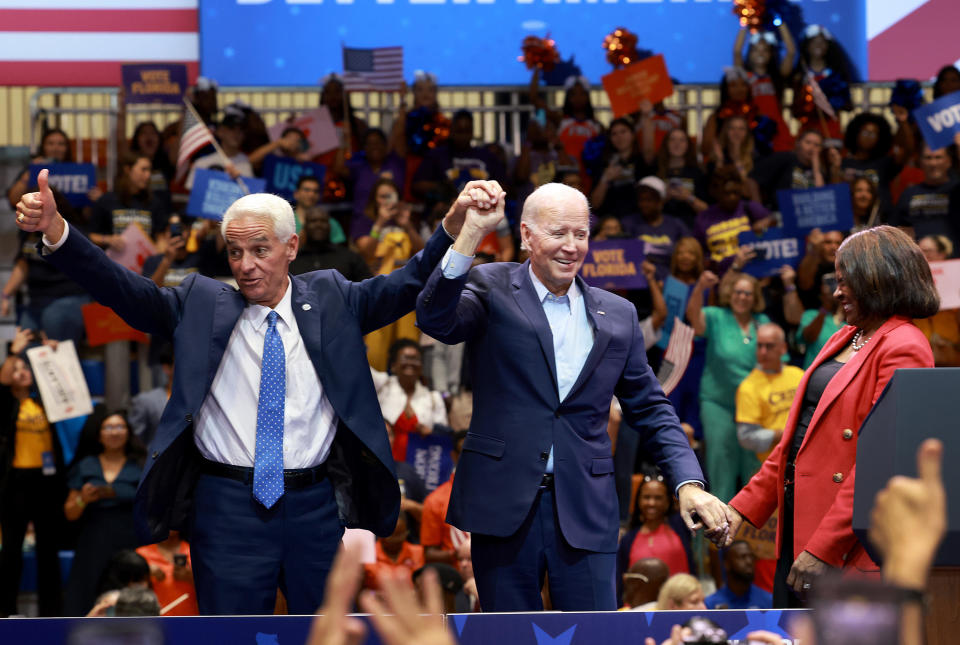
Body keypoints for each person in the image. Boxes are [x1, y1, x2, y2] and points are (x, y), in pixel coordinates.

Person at [15, 168, 495, 615]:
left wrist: (452, 226)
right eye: (234, 252)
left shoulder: (334, 298)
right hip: (225, 510)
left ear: (292, 246)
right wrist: (59, 233)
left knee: (324, 637)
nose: (245, 266)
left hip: (315, 507)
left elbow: (410, 281)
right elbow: (122, 289)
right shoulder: (199, 303)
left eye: (260, 250)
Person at [415, 182, 731, 612]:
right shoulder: (491, 284)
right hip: (503, 506)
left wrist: (689, 483)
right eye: (558, 233)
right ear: (526, 236)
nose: (571, 246)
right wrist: (471, 233)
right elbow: (435, 319)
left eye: (580, 234)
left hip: (586, 507)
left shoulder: (618, 313)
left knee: (596, 639)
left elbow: (651, 408)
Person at [728, 226, 940, 608]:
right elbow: (797, 441)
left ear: (876, 278)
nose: (837, 292)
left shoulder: (905, 345)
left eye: (845, 282)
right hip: (798, 526)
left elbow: (882, 462)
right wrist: (740, 510)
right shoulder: (844, 335)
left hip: (841, 546)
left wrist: (824, 547)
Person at [686, 267, 770, 503]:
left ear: (755, 298)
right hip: (718, 404)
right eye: (738, 292)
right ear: (730, 294)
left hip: (753, 409)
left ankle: (750, 538)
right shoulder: (715, 316)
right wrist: (700, 288)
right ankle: (715, 536)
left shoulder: (762, 322)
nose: (742, 297)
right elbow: (694, 318)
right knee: (721, 468)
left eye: (747, 293)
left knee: (753, 471)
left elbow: (774, 361)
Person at [0, 328, 66, 617]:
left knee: (48, 550)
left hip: (46, 481)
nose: (22, 372)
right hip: (14, 482)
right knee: (12, 550)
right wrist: (13, 352)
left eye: (25, 368)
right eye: (17, 369)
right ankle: (7, 610)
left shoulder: (42, 401)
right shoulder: (5, 404)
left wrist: (52, 355)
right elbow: (2, 381)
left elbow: (66, 388)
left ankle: (50, 613)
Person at [63, 410, 145, 616]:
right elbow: (70, 512)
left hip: (132, 539)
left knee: (132, 598)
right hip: (93, 539)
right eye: (108, 427)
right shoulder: (85, 465)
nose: (114, 432)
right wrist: (83, 499)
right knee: (85, 595)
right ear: (98, 434)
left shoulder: (141, 464)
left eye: (120, 427)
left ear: (128, 432)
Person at [616, 473, 693, 603]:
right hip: (640, 612)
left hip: (679, 606)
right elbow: (621, 581)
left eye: (658, 498)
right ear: (638, 500)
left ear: (669, 501)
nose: (652, 503)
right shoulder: (628, 538)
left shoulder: (681, 525)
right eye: (646, 497)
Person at [736, 323, 804, 463]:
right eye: (759, 346)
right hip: (773, 463)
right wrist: (780, 435)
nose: (763, 352)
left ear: (783, 348)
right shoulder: (748, 387)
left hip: (804, 453)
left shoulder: (798, 375)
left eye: (769, 346)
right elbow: (746, 437)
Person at [373, 339, 448, 464]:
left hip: (419, 469)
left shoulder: (434, 398)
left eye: (415, 359)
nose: (410, 363)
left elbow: (444, 438)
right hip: (382, 463)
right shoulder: (382, 385)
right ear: (393, 365)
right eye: (405, 358)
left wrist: (431, 433)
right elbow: (358, 363)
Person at [88, 152, 171, 248]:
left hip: (145, 260)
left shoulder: (154, 202)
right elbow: (90, 236)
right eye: (143, 170)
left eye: (149, 170)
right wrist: (108, 239)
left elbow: (160, 238)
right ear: (128, 169)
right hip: (112, 260)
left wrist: (160, 254)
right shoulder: (106, 201)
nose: (148, 175)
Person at [890, 142, 959, 250]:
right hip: (919, 261)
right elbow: (895, 230)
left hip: (954, 262)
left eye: (938, 157)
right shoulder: (908, 194)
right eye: (928, 158)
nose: (933, 163)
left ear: (949, 161)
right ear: (920, 162)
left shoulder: (957, 190)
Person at [420, 431, 468, 565]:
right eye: (465, 452)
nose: (471, 458)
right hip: (456, 576)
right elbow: (429, 554)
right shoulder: (435, 501)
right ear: (454, 456)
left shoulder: (493, 494)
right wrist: (459, 553)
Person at [289, 207, 371, 282]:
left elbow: (367, 288)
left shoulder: (350, 258)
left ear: (330, 226)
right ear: (305, 227)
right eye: (313, 221)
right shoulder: (292, 261)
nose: (318, 225)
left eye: (323, 221)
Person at [913, 235, 960, 366]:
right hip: (920, 347)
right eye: (919, 250)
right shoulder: (910, 277)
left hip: (951, 348)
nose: (923, 255)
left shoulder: (956, 276)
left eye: (927, 251)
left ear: (942, 253)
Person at [136, 530, 198, 615]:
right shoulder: (142, 554)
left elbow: (212, 591)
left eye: (172, 518)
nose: (169, 523)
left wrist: (192, 578)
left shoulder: (195, 552)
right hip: (154, 620)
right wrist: (145, 574)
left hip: (191, 619)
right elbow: (128, 591)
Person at [363, 512, 424, 591]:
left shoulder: (418, 552)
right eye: (392, 537)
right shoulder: (368, 555)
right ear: (380, 536)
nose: (397, 540)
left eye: (401, 535)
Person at [797, 273, 845, 369]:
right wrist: (824, 309)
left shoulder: (852, 317)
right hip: (815, 374)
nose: (833, 295)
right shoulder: (811, 315)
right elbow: (808, 337)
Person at [705, 540, 771, 609]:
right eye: (742, 557)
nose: (749, 562)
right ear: (726, 563)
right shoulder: (711, 604)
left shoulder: (768, 601)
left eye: (751, 557)